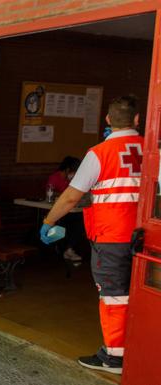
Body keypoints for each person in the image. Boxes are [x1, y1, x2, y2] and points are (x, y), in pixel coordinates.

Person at [40, 96, 143, 374]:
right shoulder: (152, 151)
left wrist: (49, 220)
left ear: (108, 120)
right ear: (136, 120)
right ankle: (138, 348)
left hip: (111, 236)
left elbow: (72, 196)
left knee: (113, 297)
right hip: (146, 238)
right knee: (139, 295)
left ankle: (114, 357)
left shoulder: (99, 153)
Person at [46, 156, 84, 263]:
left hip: (71, 211)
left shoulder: (73, 180)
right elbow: (51, 194)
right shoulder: (55, 178)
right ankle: (59, 248)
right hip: (57, 210)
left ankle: (69, 249)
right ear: (68, 170)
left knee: (79, 221)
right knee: (64, 222)